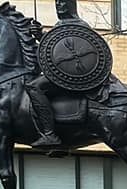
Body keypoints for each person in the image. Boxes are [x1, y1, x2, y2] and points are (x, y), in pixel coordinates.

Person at [24, 0, 89, 149]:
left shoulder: (79, 25)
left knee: (34, 87)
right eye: (57, 3)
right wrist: (40, 35)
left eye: (63, 2)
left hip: (72, 76)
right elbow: (55, 48)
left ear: (72, 5)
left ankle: (50, 134)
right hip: (62, 73)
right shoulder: (60, 25)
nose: (59, 6)